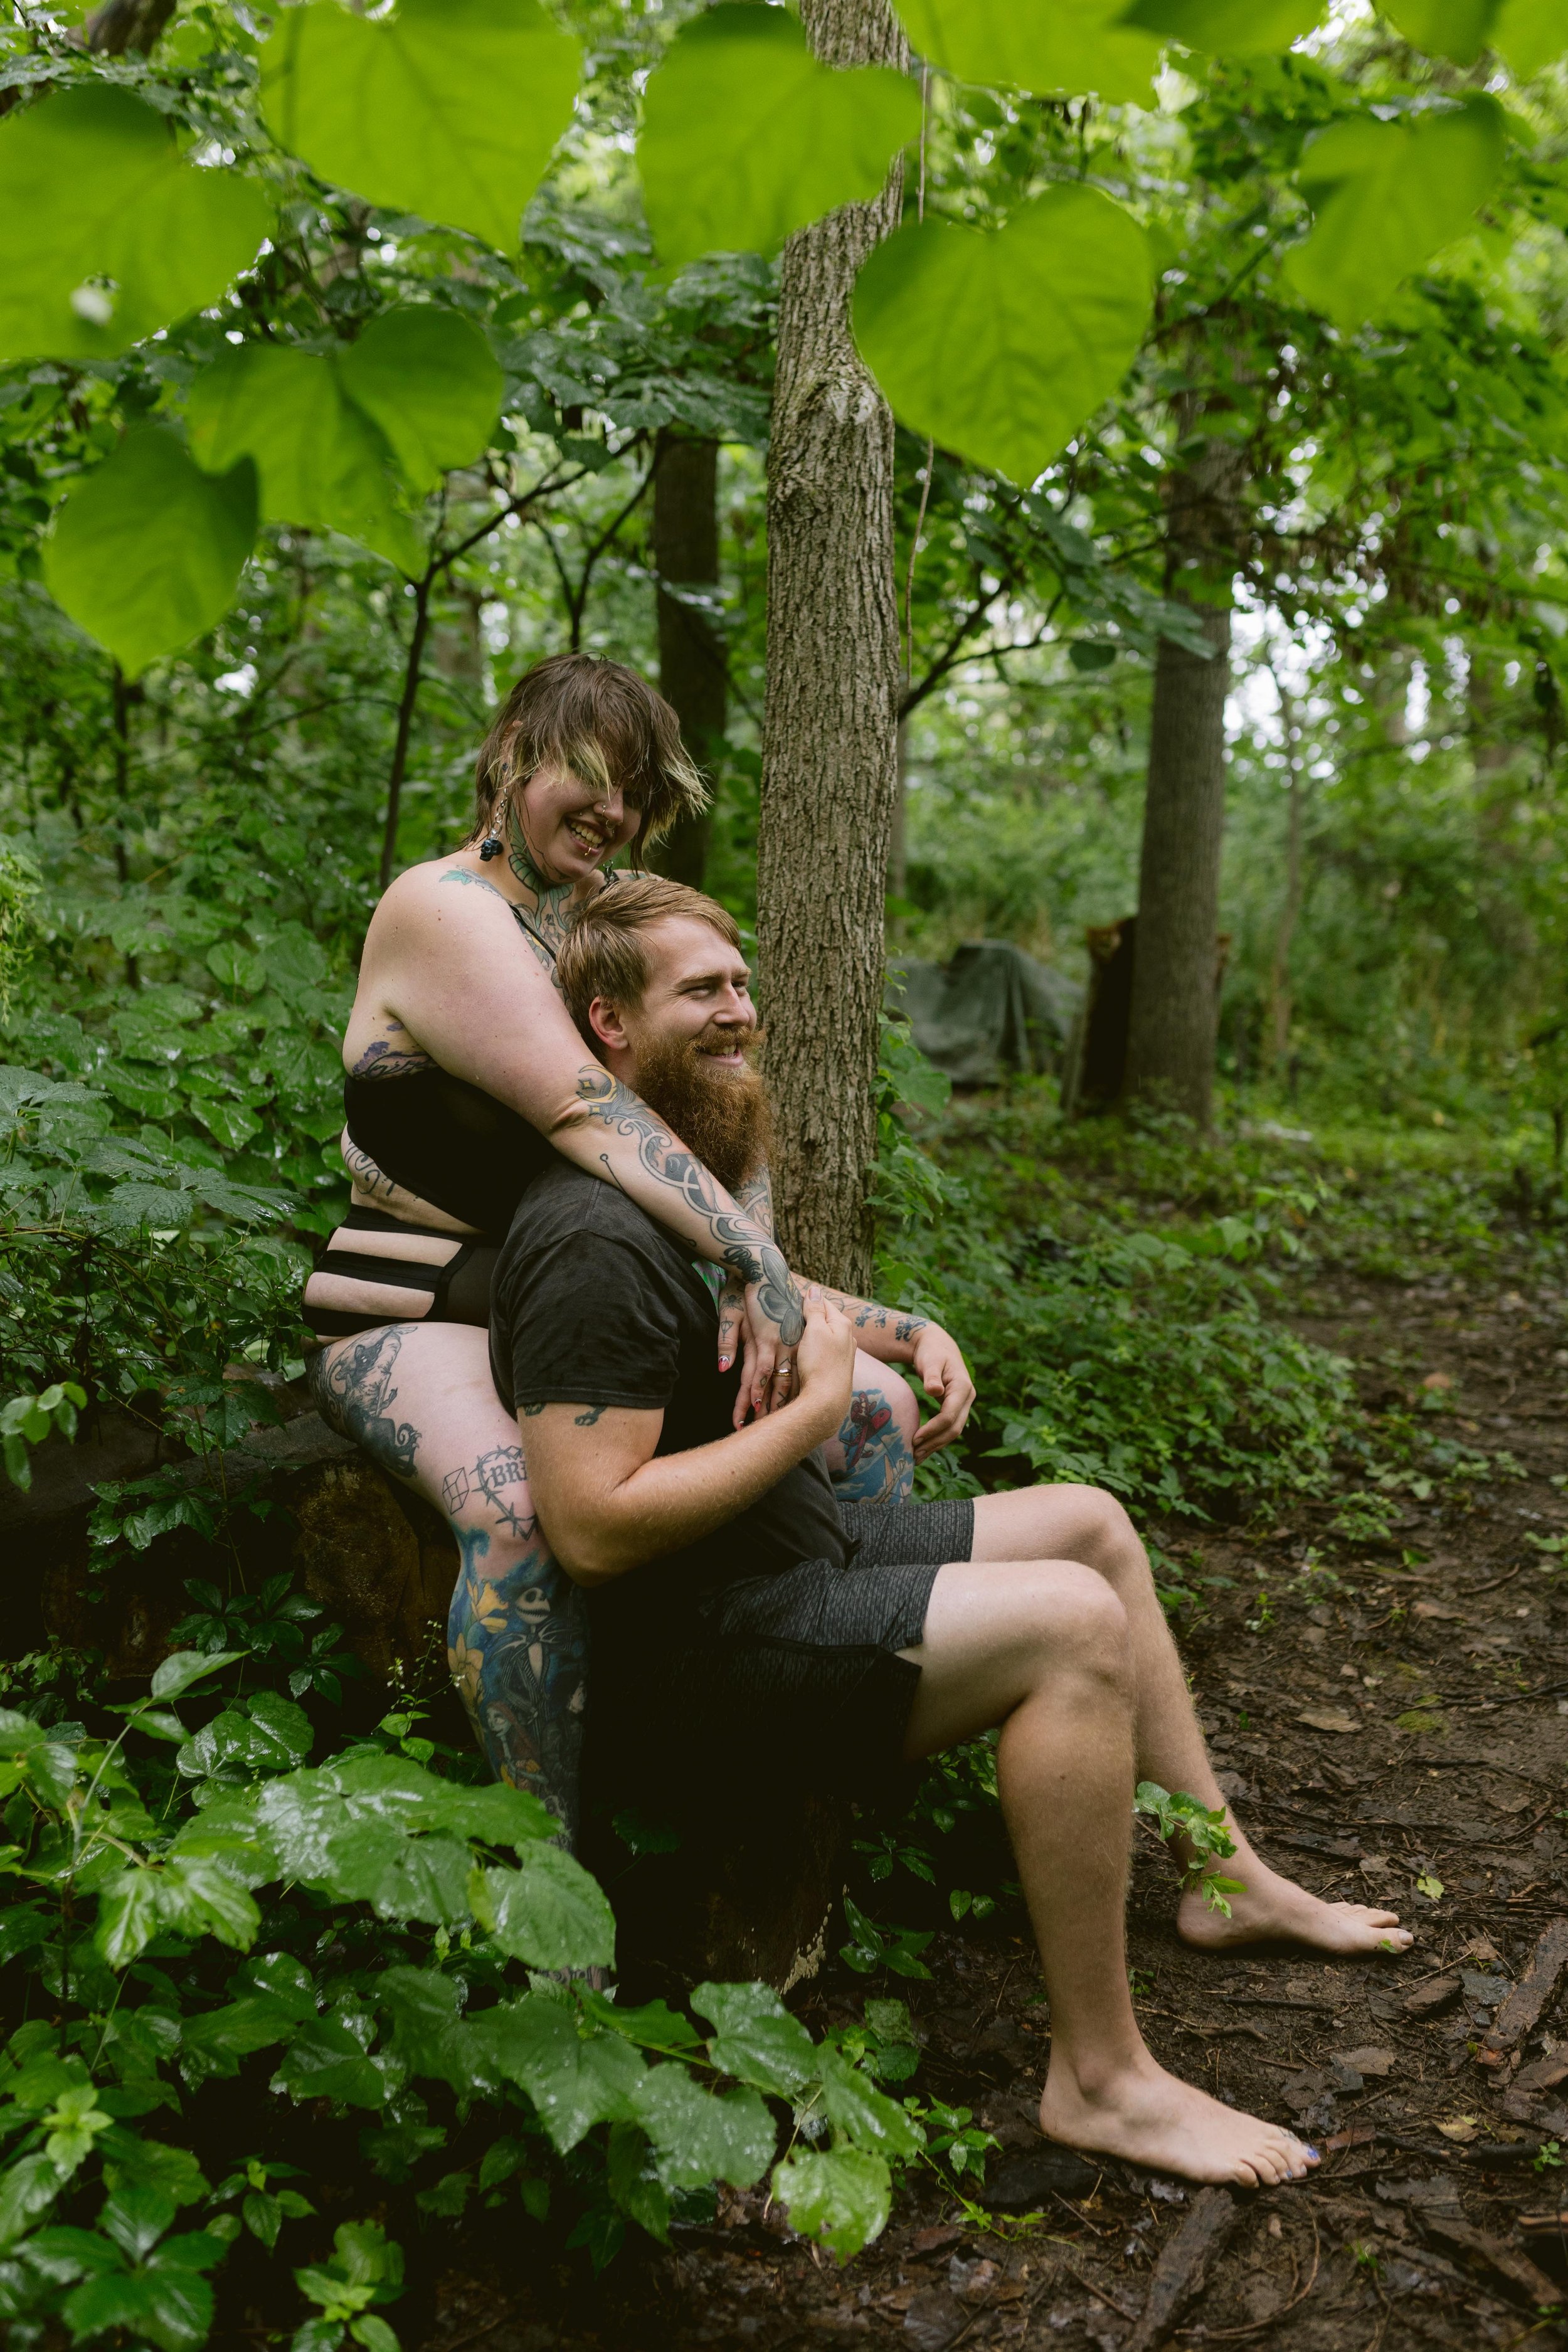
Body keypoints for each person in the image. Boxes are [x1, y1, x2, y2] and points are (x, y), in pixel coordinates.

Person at [490, 874, 1414, 2188]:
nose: (741, 1009)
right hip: (704, 1654)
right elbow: (589, 1530)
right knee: (1068, 1631)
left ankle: (1224, 1876)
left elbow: (776, 1296)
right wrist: (813, 1413)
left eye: (740, 983)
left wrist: (892, 1330)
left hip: (796, 1566)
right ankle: (1100, 2079)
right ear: (606, 1025)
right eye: (702, 991)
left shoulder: (661, 1177)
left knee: (1089, 1524)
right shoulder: (587, 1234)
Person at [301, 654, 974, 1836]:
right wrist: (753, 1267)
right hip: (415, 1306)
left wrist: (803, 1289)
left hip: (586, 1298)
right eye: (594, 774)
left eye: (640, 794)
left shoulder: (615, 921)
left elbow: (714, 1108)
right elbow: (591, 1110)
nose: (613, 811)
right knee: (514, 1519)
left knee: (871, 1406)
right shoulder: (444, 909)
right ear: (514, 751)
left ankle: (814, 1743)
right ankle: (544, 1877)